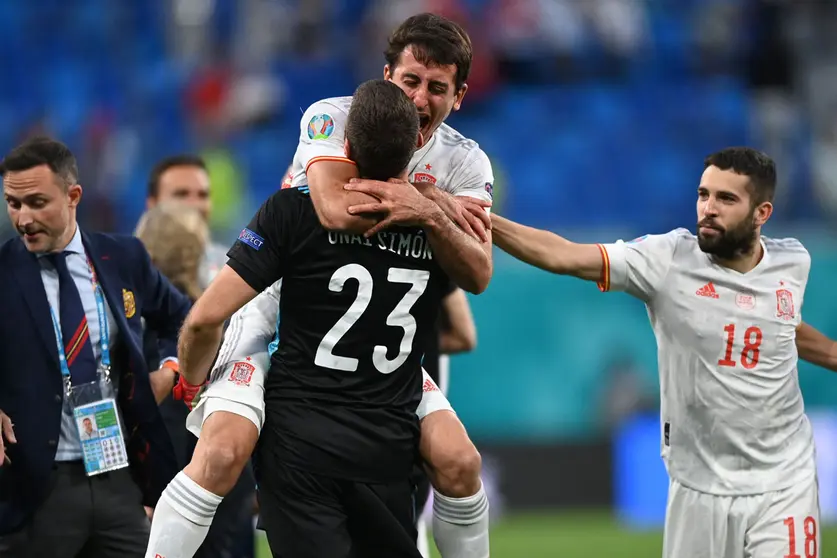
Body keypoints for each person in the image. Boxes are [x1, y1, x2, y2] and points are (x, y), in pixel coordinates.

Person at [155, 13, 494, 558]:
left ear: (460, 96)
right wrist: (432, 203)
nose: (420, 100)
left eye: (437, 88)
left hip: (366, 333)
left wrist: (429, 214)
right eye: (410, 81)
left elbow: (477, 272)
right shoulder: (334, 116)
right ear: (387, 76)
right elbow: (335, 213)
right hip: (279, 295)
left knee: (459, 461)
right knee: (222, 452)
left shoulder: (466, 160)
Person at [490, 146, 837, 558]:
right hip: (698, 487)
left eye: (726, 199)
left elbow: (780, 328)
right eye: (703, 194)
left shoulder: (792, 262)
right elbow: (563, 255)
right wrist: (481, 219)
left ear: (762, 213)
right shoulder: (667, 260)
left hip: (784, 481)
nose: (708, 208)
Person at [0, 136, 190, 557]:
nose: (23, 218)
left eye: (36, 202)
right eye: (13, 203)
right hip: (35, 488)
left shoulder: (122, 257)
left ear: (73, 196)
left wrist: (172, 367)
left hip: (118, 476)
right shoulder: (3, 271)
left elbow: (181, 316)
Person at [136, 202, 256, 558]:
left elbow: (169, 421)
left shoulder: (158, 336)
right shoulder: (228, 324)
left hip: (176, 494)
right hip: (228, 484)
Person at [144, 155, 228, 287]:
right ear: (153, 204)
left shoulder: (230, 270)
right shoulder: (127, 267)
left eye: (203, 195)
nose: (195, 205)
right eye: (181, 194)